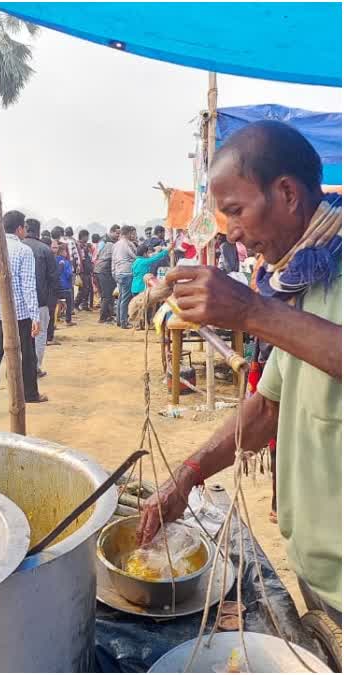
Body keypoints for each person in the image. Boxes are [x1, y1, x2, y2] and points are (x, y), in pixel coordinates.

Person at [138, 120, 341, 623]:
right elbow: (270, 406)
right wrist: (188, 474)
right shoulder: (301, 277)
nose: (230, 230)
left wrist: (251, 311)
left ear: (288, 193)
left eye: (235, 210)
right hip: (321, 576)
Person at [0, 210, 45, 405]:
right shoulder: (23, 250)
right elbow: (28, 285)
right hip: (21, 313)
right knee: (27, 353)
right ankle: (30, 394)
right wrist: (34, 315)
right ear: (19, 229)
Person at [23, 219, 58, 376]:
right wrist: (53, 301)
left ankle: (20, 369)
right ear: (38, 231)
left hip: (18, 302)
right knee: (40, 334)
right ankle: (35, 368)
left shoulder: (17, 247)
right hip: (40, 301)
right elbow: (53, 278)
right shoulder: (45, 250)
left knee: (21, 336)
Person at [112, 225, 139, 328]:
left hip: (118, 273)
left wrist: (113, 272)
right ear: (128, 233)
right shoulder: (126, 244)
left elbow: (113, 260)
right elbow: (134, 256)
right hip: (126, 273)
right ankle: (123, 322)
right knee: (125, 299)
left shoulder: (116, 245)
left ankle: (119, 320)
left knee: (121, 297)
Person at [76, 229, 95, 311]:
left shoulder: (85, 246)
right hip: (83, 271)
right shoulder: (79, 246)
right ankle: (76, 304)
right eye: (87, 236)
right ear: (83, 236)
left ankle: (84, 305)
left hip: (87, 270)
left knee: (88, 288)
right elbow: (82, 259)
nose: (88, 238)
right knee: (83, 289)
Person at [56, 245, 75, 327]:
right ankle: (68, 320)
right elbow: (69, 274)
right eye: (65, 251)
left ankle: (56, 319)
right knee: (69, 303)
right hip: (65, 287)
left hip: (56, 287)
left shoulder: (54, 260)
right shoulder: (66, 262)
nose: (66, 253)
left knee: (56, 303)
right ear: (62, 252)